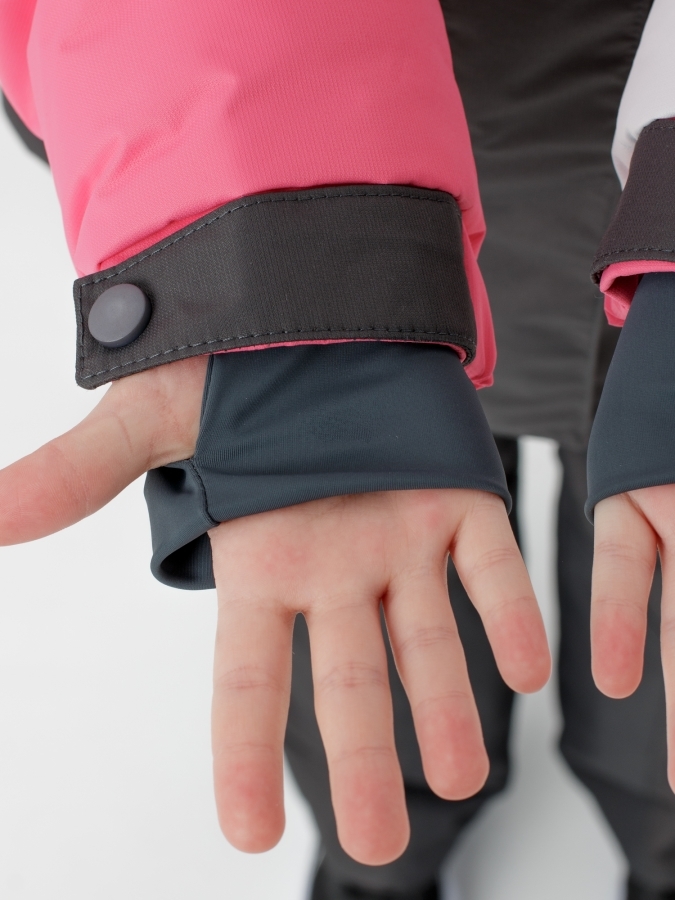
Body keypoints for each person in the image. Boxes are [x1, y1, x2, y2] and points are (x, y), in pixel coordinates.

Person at [1, 2, 674, 899]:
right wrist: (277, 255)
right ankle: (385, 857)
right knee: (368, 600)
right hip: (294, 129)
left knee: (654, 567)